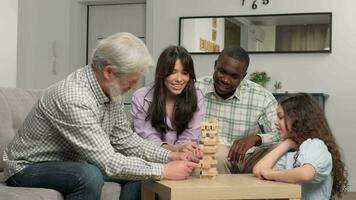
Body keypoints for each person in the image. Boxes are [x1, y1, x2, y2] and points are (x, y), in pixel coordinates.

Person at [3, 32, 200, 200]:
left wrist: (170, 155)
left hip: (72, 161)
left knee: (142, 174)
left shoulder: (110, 90)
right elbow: (108, 161)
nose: (134, 87)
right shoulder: (74, 97)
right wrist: (164, 170)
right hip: (27, 168)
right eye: (131, 81)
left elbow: (125, 140)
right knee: (89, 175)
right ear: (109, 72)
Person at [195, 46, 279, 173]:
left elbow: (280, 133)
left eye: (234, 76)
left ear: (243, 76)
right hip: (213, 156)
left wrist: (256, 138)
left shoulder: (262, 97)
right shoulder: (195, 89)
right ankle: (221, 193)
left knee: (281, 149)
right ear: (215, 65)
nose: (225, 80)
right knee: (215, 154)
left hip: (249, 157)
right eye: (222, 72)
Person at [253, 93, 348, 200]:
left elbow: (305, 174)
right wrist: (286, 144)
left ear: (298, 119)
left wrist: (271, 175)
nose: (276, 122)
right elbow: (259, 170)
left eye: (280, 117)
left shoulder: (315, 144)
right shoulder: (293, 152)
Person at [131, 45, 204, 156]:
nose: (179, 79)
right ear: (162, 73)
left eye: (185, 73)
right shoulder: (140, 97)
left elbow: (190, 137)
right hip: (150, 157)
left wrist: (182, 150)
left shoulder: (197, 97)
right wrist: (175, 150)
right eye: (173, 72)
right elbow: (148, 138)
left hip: (184, 157)